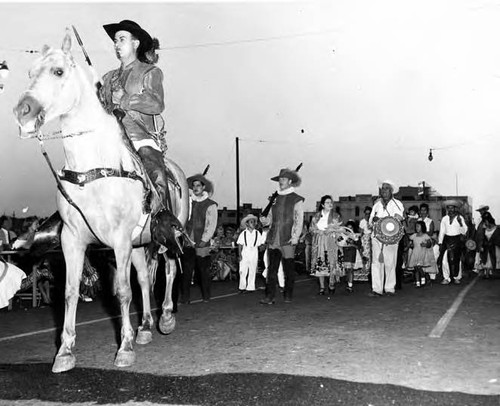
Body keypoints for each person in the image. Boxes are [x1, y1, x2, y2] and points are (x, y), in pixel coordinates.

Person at [99, 20, 179, 251]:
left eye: (121, 39)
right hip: (111, 138)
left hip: (138, 135)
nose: (117, 44)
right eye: (115, 40)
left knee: (155, 168)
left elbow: (156, 103)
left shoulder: (151, 72)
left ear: (135, 42)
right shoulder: (107, 77)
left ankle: (162, 222)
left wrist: (123, 98)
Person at [259, 168, 304, 304]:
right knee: (271, 269)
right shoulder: (275, 198)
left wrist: (295, 236)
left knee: (289, 269)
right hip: (274, 238)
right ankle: (269, 296)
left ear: (290, 181)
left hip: (288, 238)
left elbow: (298, 219)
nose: (280, 182)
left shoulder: (297, 199)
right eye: (280, 179)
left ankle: (288, 294)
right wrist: (265, 220)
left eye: (283, 179)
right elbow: (270, 219)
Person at [181, 173, 217, 303]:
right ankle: (185, 298)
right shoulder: (188, 203)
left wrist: (204, 240)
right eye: (194, 186)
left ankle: (206, 296)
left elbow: (211, 224)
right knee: (186, 271)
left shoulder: (210, 204)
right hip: (188, 242)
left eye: (198, 185)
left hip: (202, 242)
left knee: (203, 271)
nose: (195, 188)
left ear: (203, 188)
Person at [368, 180, 404, 297]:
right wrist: (373, 220)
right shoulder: (376, 205)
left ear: (392, 191)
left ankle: (389, 288)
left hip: (391, 239)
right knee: (376, 263)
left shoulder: (397, 203)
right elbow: (370, 220)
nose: (384, 191)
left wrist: (393, 218)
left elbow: (399, 218)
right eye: (382, 188)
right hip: (377, 238)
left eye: (387, 188)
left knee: (390, 263)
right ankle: (377, 289)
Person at [309, 195, 342, 295]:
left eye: (331, 202)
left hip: (331, 241)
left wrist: (333, 230)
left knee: (332, 263)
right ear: (323, 204)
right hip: (319, 242)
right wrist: (319, 232)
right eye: (327, 202)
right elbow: (311, 229)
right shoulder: (316, 216)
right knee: (320, 264)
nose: (330, 204)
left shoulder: (336, 216)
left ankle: (331, 284)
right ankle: (322, 287)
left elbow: (339, 230)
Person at [437, 200, 468, 285]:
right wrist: (440, 243)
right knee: (444, 260)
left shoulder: (460, 218)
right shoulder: (444, 218)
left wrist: (460, 222)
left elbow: (464, 231)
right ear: (447, 209)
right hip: (446, 240)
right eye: (449, 208)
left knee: (456, 260)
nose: (450, 210)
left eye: (452, 208)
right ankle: (446, 278)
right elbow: (442, 231)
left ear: (455, 208)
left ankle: (456, 277)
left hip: (456, 240)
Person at [236, 214, 265, 293]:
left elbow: (261, 244)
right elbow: (240, 244)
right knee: (242, 270)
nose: (254, 224)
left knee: (252, 270)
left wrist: (262, 247)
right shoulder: (243, 233)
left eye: (254, 222)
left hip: (254, 252)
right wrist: (240, 255)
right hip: (245, 251)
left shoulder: (257, 233)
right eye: (251, 222)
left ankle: (250, 287)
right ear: (247, 224)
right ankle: (242, 287)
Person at [407, 221, 435, 287]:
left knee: (419, 267)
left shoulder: (425, 236)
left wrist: (425, 244)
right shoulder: (414, 235)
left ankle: (423, 279)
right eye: (416, 226)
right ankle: (418, 283)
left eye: (418, 226)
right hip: (415, 253)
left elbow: (429, 244)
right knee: (416, 268)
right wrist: (408, 246)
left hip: (422, 253)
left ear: (422, 227)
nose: (417, 228)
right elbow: (410, 242)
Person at [337, 220, 360, 293]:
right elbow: (337, 242)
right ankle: (347, 282)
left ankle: (350, 285)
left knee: (350, 269)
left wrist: (352, 244)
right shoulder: (342, 235)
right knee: (346, 269)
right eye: (348, 228)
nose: (350, 230)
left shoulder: (355, 236)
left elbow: (358, 245)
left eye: (351, 228)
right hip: (344, 253)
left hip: (351, 253)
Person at [479, 212, 500, 279]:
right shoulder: (484, 228)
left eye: (486, 221)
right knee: (486, 259)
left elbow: (498, 238)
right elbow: (482, 238)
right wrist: (482, 245)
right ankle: (487, 273)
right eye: (484, 221)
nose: (485, 222)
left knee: (493, 259)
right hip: (486, 247)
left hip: (494, 247)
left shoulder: (496, 229)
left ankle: (489, 273)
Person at [358, 206, 373, 280]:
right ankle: (365, 271)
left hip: (373, 238)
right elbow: (360, 232)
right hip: (365, 239)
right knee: (365, 254)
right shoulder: (362, 221)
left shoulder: (373, 221)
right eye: (366, 213)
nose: (367, 215)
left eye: (369, 213)